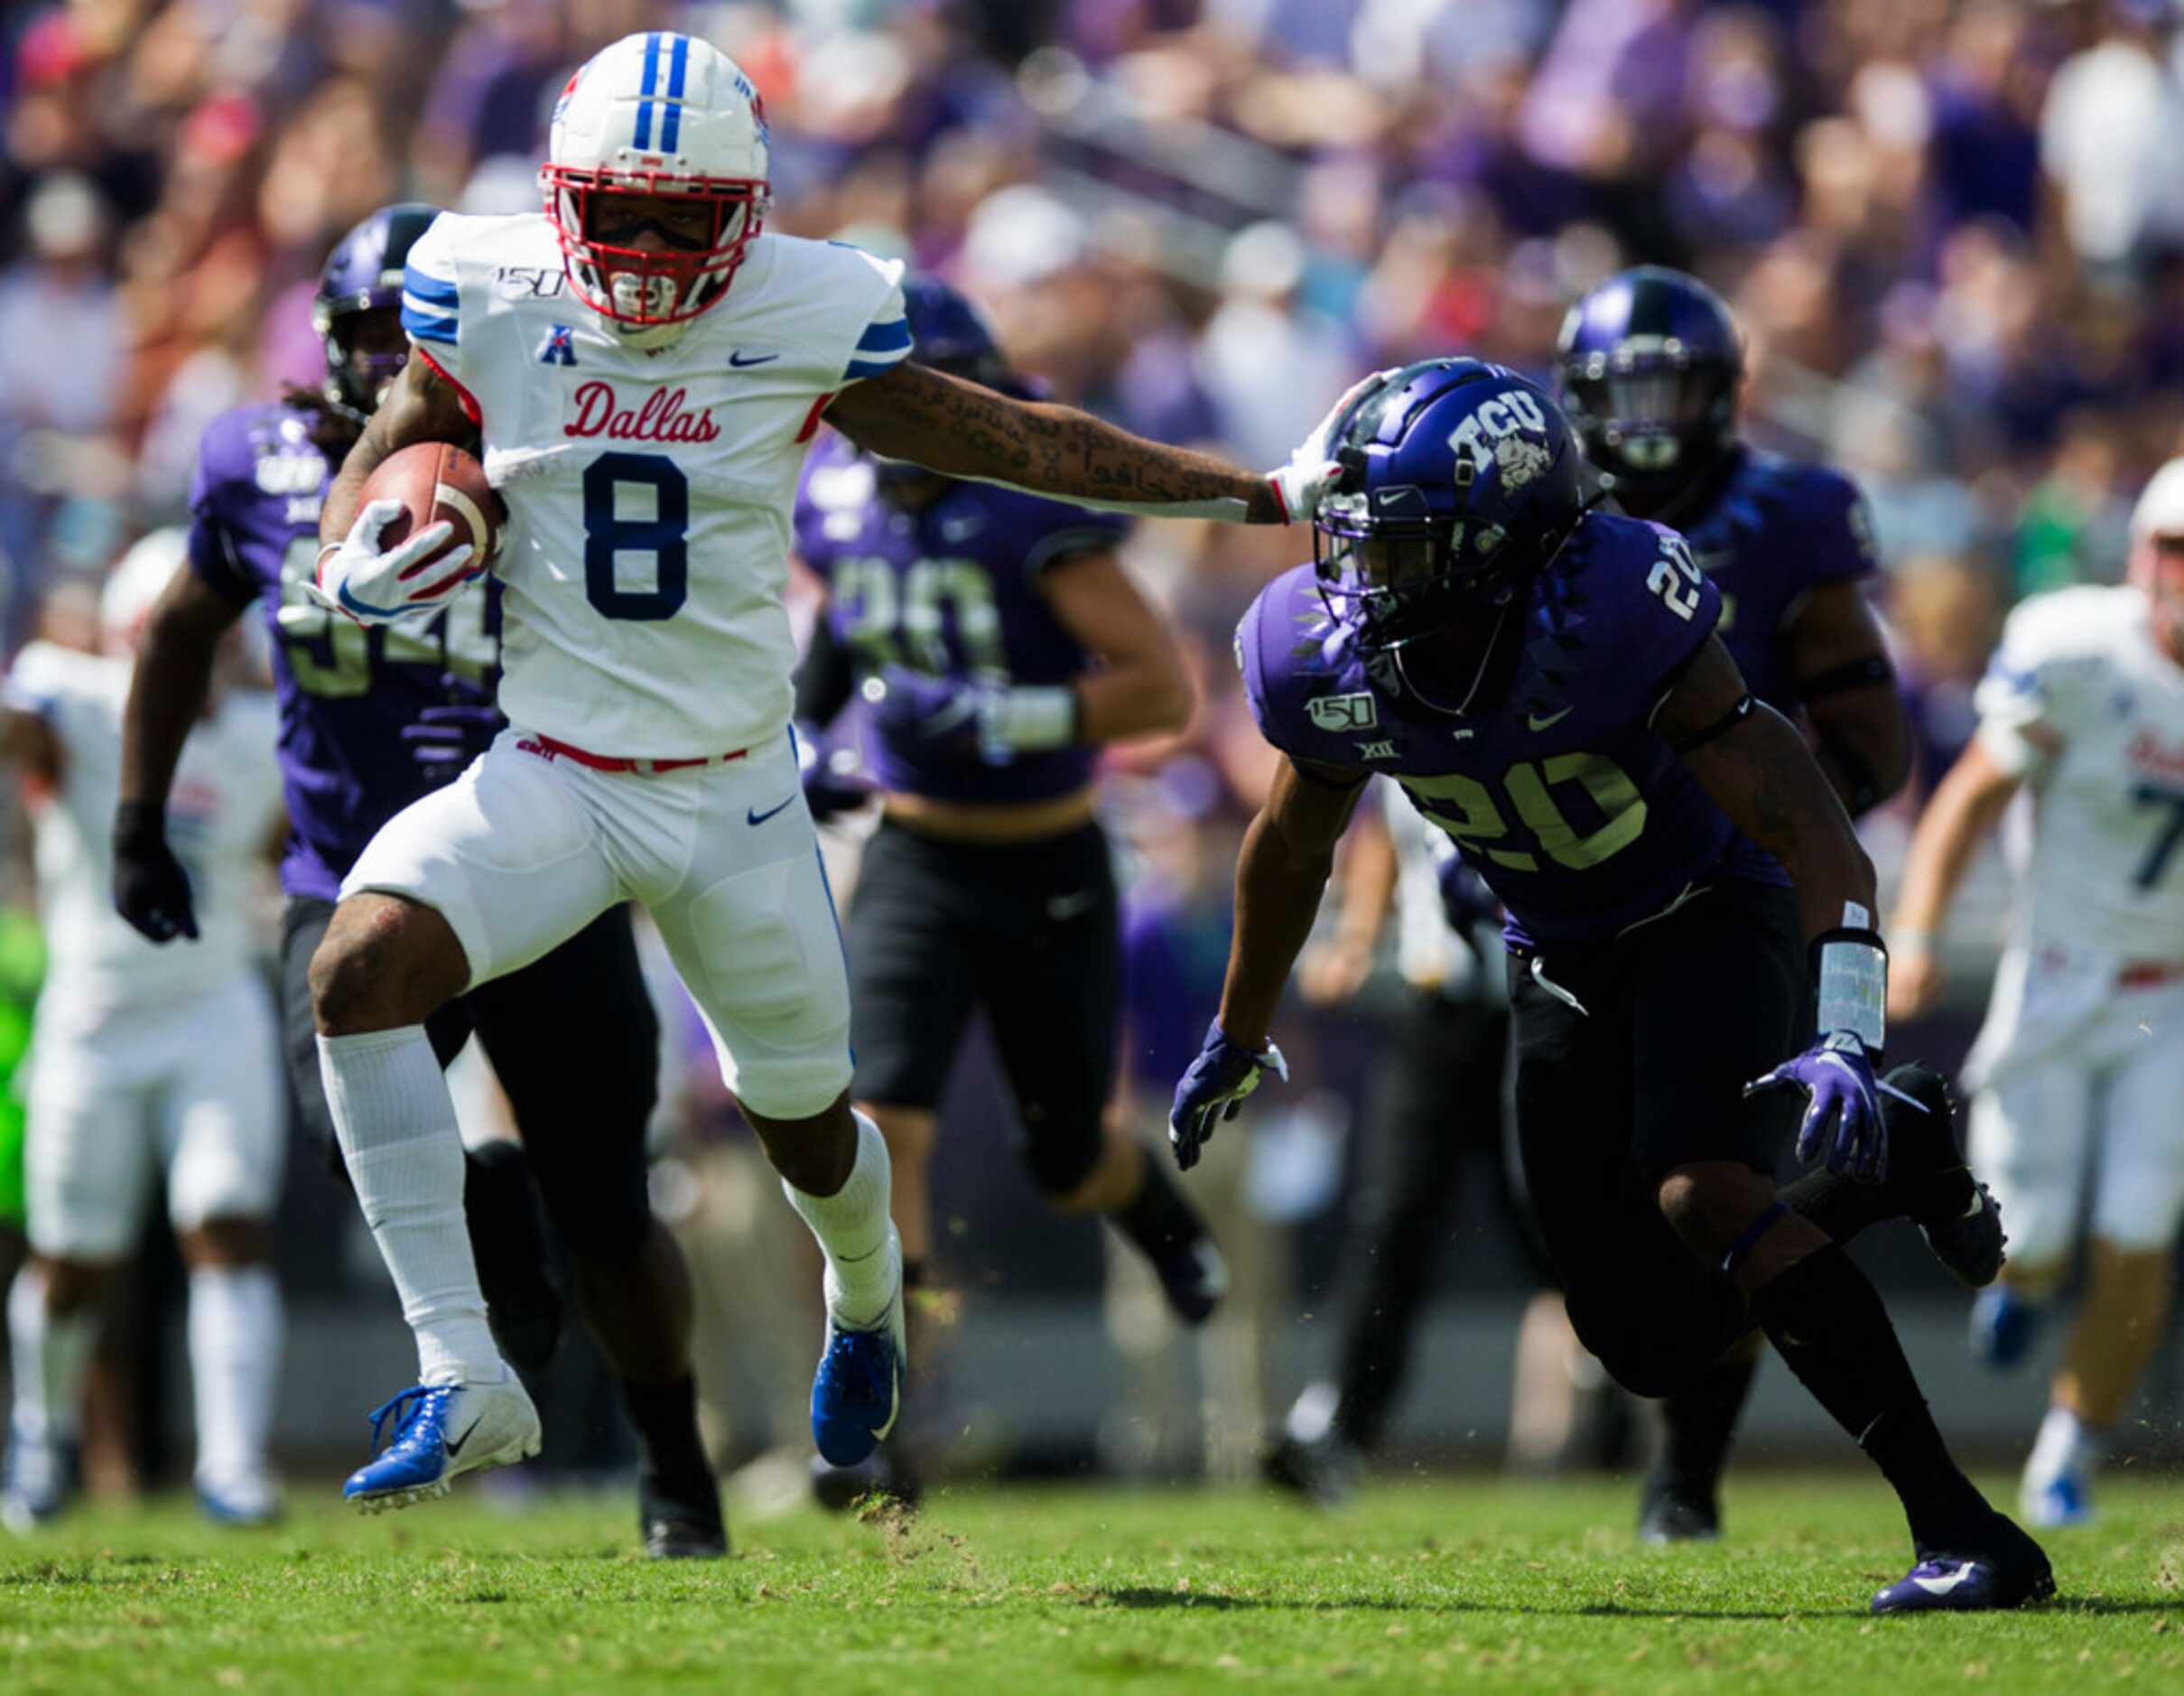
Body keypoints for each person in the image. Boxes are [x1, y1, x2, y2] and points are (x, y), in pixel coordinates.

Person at [288, 32, 1337, 1513]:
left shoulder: (809, 308)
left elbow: (1019, 439)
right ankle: (464, 1371)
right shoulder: (481, 280)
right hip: (556, 770)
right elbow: (395, 439)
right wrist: (351, 558)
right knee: (356, 972)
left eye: (685, 219)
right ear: (559, 196)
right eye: (622, 213)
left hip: (731, 792)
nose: (648, 252)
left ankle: (865, 1305)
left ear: (752, 214)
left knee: (809, 1128)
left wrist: (1246, 490)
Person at [1172, 358, 2050, 1614]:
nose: (1361, 577)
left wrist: (1844, 1025)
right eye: (1354, 540)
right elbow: (1291, 841)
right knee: (1640, 1338)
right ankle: (1889, 1149)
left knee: (1703, 1188)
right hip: (1553, 951)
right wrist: (1237, 1026)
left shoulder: (1605, 606)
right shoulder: (1319, 650)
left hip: (1706, 903)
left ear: (1504, 537)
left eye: (1405, 544)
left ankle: (1962, 1529)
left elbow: (1806, 819)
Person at [116, 204, 725, 1557]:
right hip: (349, 874)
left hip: (538, 859)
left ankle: (675, 1467)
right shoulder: (254, 461)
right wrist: (137, 816)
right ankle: (491, 1226)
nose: (386, 358)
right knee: (344, 1131)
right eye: (364, 334)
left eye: (411, 334)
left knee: (610, 1205)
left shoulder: (547, 450)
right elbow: (177, 627)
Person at [791, 276, 1216, 1500]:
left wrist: (1003, 712)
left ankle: (1145, 1203)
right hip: (916, 852)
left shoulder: (1027, 501)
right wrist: (807, 735)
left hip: (1045, 854)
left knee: (1067, 1155)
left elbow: (1158, 690)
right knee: (882, 1129)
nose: (892, 430)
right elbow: (844, 634)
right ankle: (896, 1411)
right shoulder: (833, 489)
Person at [1556, 265, 1924, 1542]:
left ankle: (1683, 1473)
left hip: (1730, 890)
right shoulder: (1542, 513)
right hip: (1571, 896)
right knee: (1601, 1232)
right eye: (1625, 390)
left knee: (1707, 1180)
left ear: (1721, 393)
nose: (1647, 420)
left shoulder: (1786, 511)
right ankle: (1885, 1177)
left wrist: (1769, 819)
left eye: (1672, 387)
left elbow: (1869, 736)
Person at [1889, 458, 2184, 1528]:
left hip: (2177, 997)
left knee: (2139, 1227)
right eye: (2173, 549)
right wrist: (1914, 930)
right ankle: (2018, 1285)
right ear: (2140, 554)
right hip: (2058, 975)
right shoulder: (2077, 650)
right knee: (2037, 1232)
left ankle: (2067, 1453)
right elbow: (1971, 795)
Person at [3, 532, 286, 1531]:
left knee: (228, 1225)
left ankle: (235, 1466)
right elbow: (20, 726)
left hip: (213, 1007)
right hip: (94, 1016)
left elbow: (303, 836)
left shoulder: (259, 731)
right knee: (74, 1259)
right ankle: (40, 1439)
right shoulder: (71, 702)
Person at [1260, 792, 1519, 1505]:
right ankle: (1340, 1429)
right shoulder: (1400, 712)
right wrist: (1354, 935)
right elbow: (1382, 832)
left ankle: (1663, 1434)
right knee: (1391, 1220)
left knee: (1556, 1228)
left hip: (1541, 1014)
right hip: (1433, 1012)